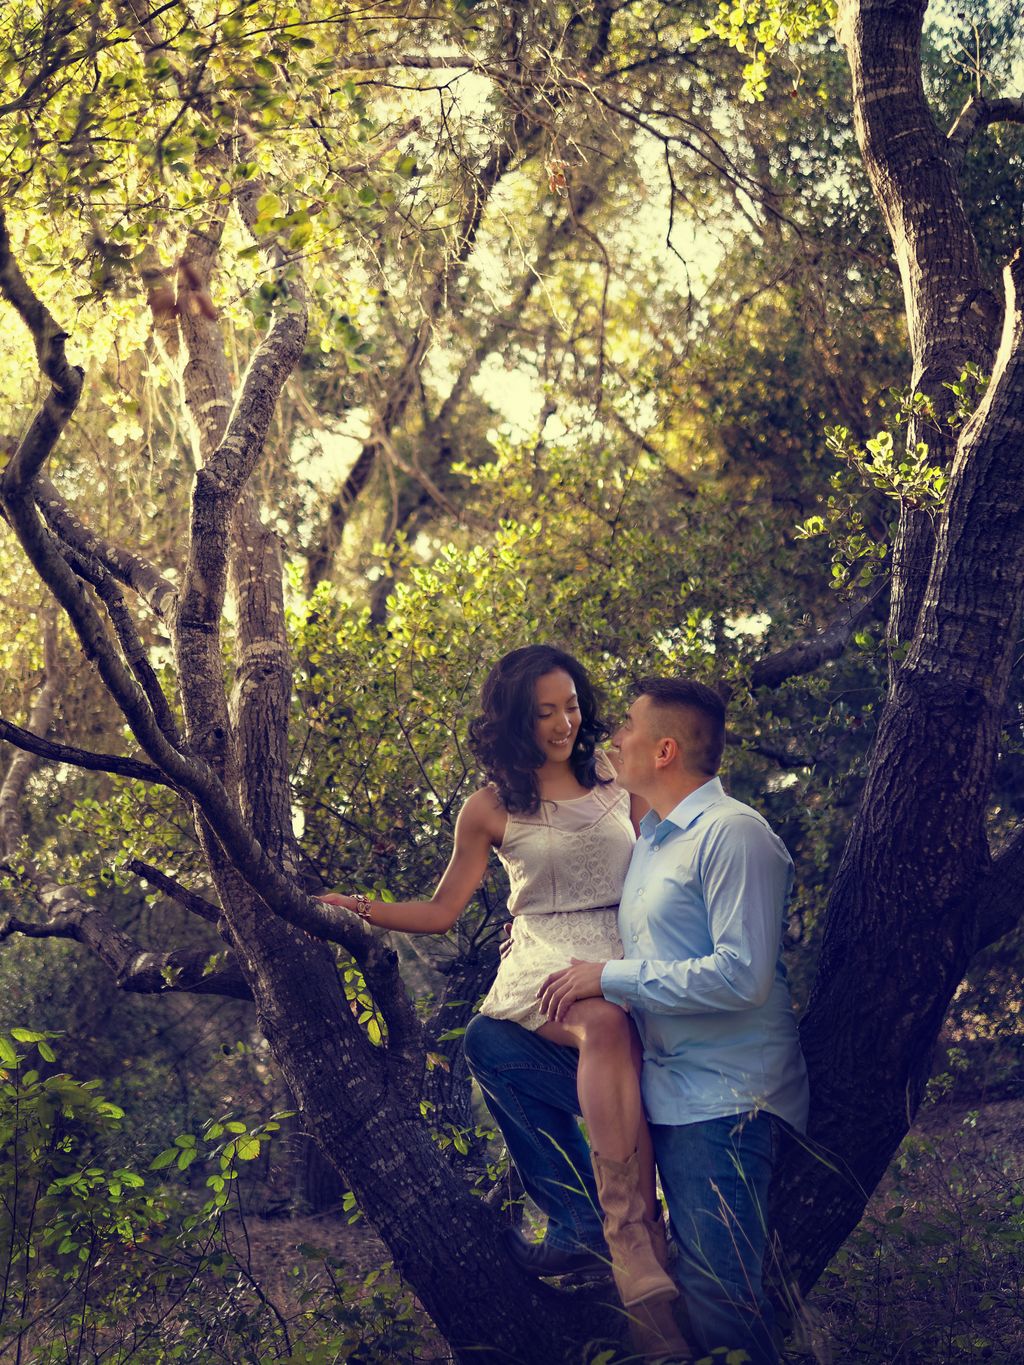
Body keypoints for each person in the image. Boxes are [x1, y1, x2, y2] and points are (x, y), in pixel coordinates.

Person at [317, 646, 689, 1354]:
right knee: (576, 1026)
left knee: (615, 1033)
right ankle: (617, 1230)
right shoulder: (489, 806)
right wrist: (355, 908)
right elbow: (441, 911)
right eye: (546, 711)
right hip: (546, 953)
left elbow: (670, 856)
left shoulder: (616, 774)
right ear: (516, 719)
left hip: (623, 935)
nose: (565, 722)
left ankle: (643, 1290)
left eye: (573, 705)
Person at [467, 677, 810, 1365]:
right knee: (492, 1042)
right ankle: (586, 1222)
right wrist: (530, 938)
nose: (610, 736)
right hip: (662, 1083)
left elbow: (742, 976)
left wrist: (607, 977)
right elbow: (588, 911)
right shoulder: (650, 840)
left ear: (663, 750)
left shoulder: (735, 835)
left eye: (626, 725)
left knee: (721, 1302)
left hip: (725, 1099)